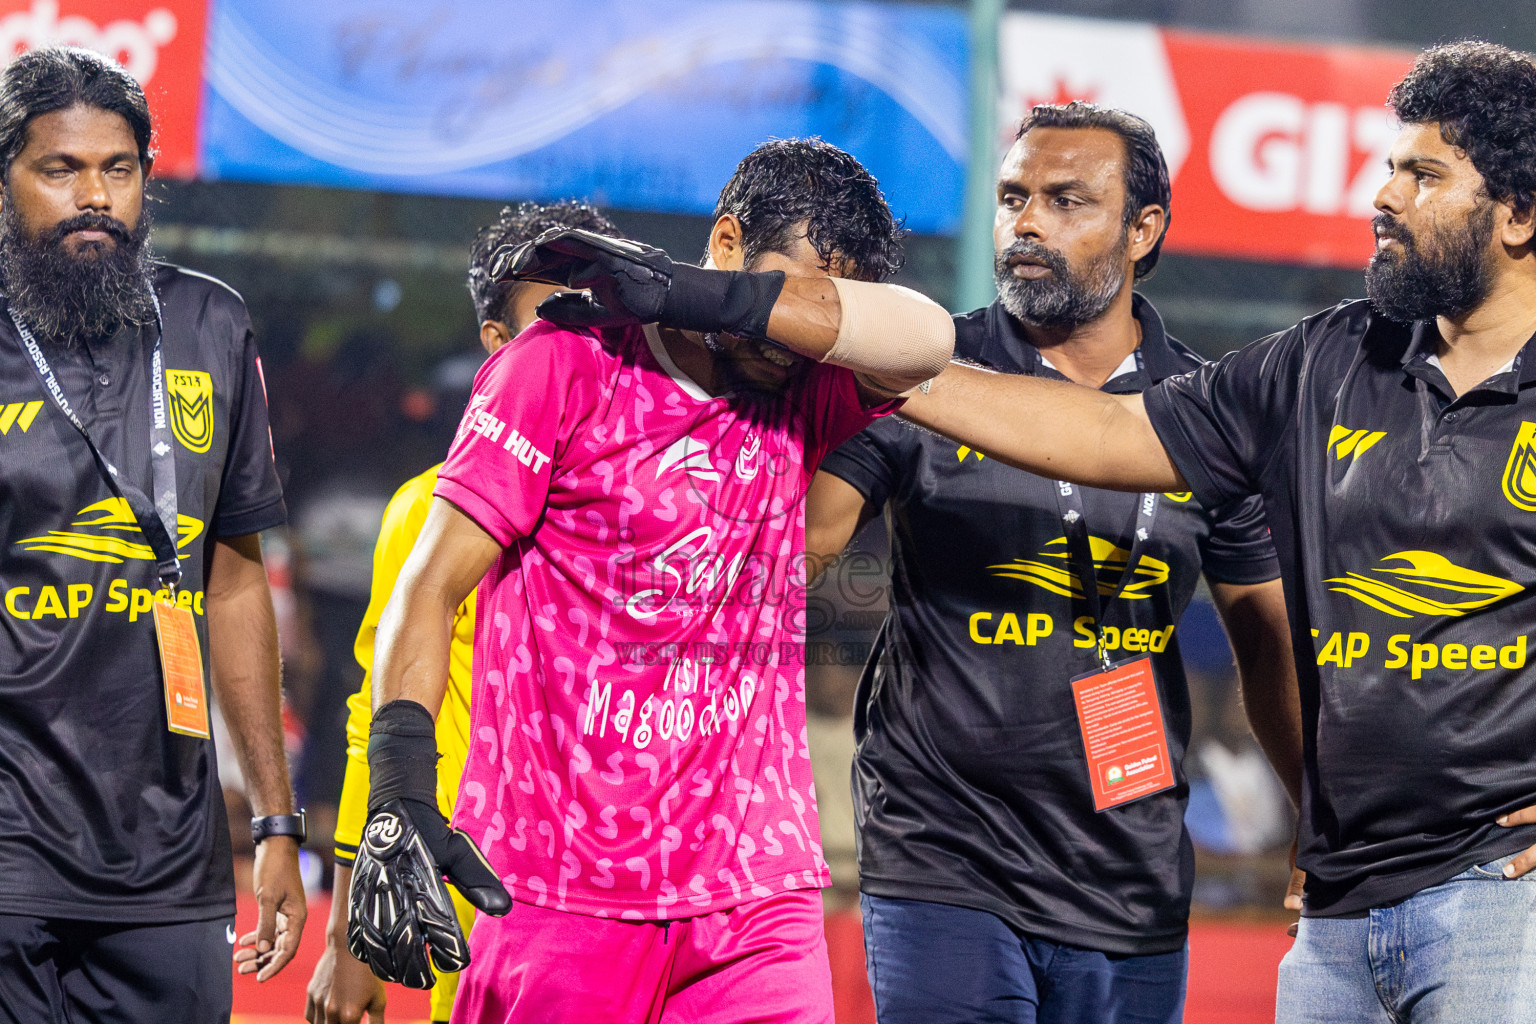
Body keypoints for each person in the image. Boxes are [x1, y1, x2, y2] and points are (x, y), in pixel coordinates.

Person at [893, 42, 1536, 1024]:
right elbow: (1108, 429)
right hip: (1338, 909)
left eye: (1424, 174)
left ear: (1521, 215)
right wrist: (868, 356)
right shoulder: (1326, 357)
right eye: (1390, 166)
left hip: (1502, 900)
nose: (1386, 195)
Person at [348, 138, 955, 1022]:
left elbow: (927, 338)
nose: (797, 334)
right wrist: (397, 788)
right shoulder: (565, 359)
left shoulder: (807, 388)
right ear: (727, 237)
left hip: (754, 889)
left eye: (821, 312)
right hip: (558, 884)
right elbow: (430, 585)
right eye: (790, 290)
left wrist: (722, 299)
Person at [803, 102, 1301, 1024]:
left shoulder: (1203, 412)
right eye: (1013, 196)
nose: (1027, 222)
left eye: (1067, 200)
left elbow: (1268, 638)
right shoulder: (924, 367)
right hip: (940, 859)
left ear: (1142, 229)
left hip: (1128, 873)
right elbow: (806, 539)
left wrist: (1317, 811)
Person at [0, 46, 304, 1021]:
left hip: (168, 865)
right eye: (60, 169)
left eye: (117, 169)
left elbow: (236, 576)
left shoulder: (211, 325)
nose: (94, 196)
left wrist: (276, 820)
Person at [305, 199, 623, 1024]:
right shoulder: (430, 514)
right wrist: (347, 938)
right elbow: (367, 721)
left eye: (601, 321)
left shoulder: (661, 505)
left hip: (639, 895)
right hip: (498, 900)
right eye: (553, 323)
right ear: (496, 346)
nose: (582, 348)